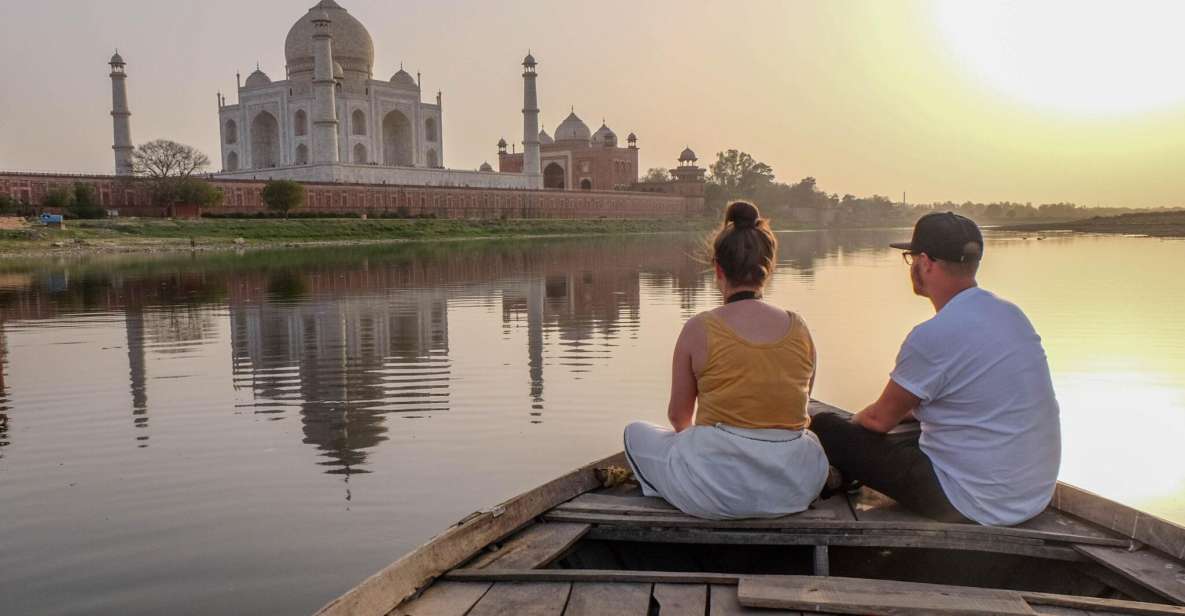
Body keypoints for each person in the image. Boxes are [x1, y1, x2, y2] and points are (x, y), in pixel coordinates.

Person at [812, 212, 1061, 526]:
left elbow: (878, 420)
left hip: (970, 503)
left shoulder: (934, 334)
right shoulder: (1011, 315)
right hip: (1032, 496)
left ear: (926, 262)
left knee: (826, 428)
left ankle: (838, 476)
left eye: (911, 257)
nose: (912, 266)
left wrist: (853, 429)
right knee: (909, 428)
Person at [622, 201, 828, 520]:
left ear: (718, 269)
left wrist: (701, 448)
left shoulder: (698, 329)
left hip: (717, 492)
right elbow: (802, 411)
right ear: (768, 267)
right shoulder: (799, 328)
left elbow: (679, 418)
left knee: (634, 433)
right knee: (808, 438)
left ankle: (676, 489)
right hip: (795, 487)